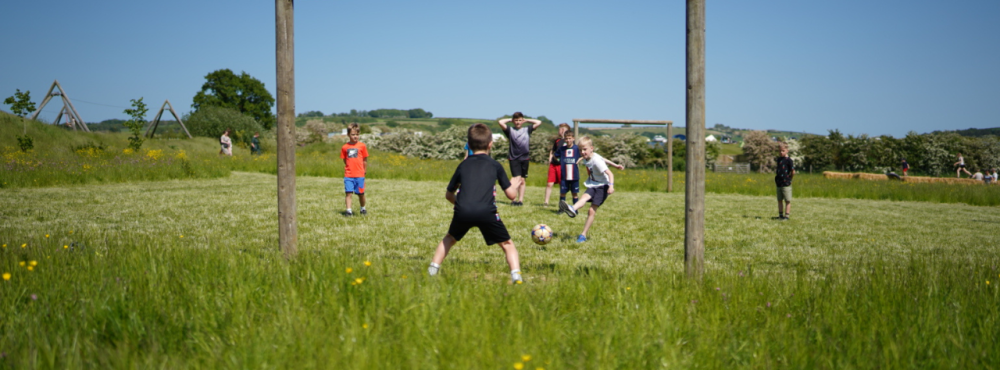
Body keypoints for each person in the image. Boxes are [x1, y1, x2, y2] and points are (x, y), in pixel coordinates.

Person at [428, 123, 526, 283]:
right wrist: (514, 184)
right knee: (507, 244)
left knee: (449, 238)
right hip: (487, 212)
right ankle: (516, 277)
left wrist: (461, 205)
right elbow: (511, 196)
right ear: (490, 144)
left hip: (462, 211)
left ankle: (432, 270)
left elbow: (448, 195)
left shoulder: (463, 165)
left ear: (469, 144)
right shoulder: (495, 165)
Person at [558, 136, 616, 243]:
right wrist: (616, 165)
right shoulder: (587, 157)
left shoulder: (596, 161)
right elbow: (604, 159)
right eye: (580, 150)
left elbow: (609, 173)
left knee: (591, 210)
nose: (582, 152)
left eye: (584, 149)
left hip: (603, 186)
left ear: (591, 148)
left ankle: (583, 235)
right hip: (593, 184)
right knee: (584, 197)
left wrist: (611, 186)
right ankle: (572, 208)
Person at [497, 112, 543, 206]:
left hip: (525, 158)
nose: (518, 122)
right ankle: (513, 199)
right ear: (514, 121)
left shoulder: (527, 129)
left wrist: (526, 120)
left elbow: (538, 122)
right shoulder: (510, 130)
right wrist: (510, 119)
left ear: (522, 120)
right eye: (516, 120)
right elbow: (500, 122)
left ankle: (520, 201)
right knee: (515, 179)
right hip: (514, 158)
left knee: (522, 180)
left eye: (520, 120)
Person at [341, 123, 369, 216]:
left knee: (361, 194)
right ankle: (349, 211)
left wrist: (364, 170)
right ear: (348, 135)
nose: (355, 136)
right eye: (353, 134)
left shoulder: (362, 146)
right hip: (348, 175)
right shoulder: (345, 147)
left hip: (359, 174)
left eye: (357, 134)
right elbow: (345, 160)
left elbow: (365, 160)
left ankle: (363, 208)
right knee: (348, 193)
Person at [543, 123, 571, 206]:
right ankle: (546, 202)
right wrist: (550, 158)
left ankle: (561, 202)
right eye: (560, 129)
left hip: (562, 166)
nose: (562, 131)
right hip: (553, 164)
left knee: (561, 184)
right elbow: (552, 151)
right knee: (549, 183)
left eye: (564, 129)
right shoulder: (557, 141)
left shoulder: (568, 142)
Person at [558, 131, 581, 206]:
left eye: (570, 138)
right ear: (564, 139)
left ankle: (575, 209)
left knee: (574, 193)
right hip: (564, 176)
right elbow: (555, 155)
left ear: (573, 138)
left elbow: (584, 155)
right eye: (566, 138)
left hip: (574, 175)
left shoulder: (577, 148)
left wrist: (580, 160)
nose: (568, 140)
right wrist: (559, 161)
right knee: (563, 193)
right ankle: (561, 209)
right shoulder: (562, 149)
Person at [774, 144, 795, 220]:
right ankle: (780, 215)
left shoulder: (789, 160)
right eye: (779, 151)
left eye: (783, 151)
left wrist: (790, 179)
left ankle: (787, 216)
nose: (781, 152)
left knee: (787, 200)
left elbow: (793, 171)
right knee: (779, 200)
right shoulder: (779, 159)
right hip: (779, 183)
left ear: (787, 151)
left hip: (786, 183)